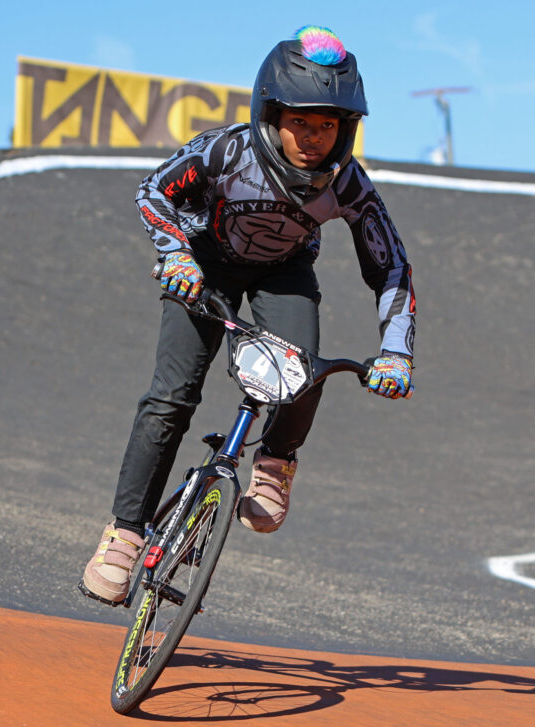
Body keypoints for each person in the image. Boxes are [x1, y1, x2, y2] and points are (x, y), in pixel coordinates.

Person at [80, 25, 416, 605]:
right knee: (171, 398)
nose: (313, 139)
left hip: (281, 272)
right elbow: (153, 191)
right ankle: (125, 534)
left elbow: (392, 267)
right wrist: (175, 254)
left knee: (303, 368)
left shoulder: (348, 183)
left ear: (346, 129)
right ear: (271, 114)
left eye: (328, 125)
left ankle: (276, 460)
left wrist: (396, 351)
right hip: (203, 265)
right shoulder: (226, 151)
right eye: (300, 122)